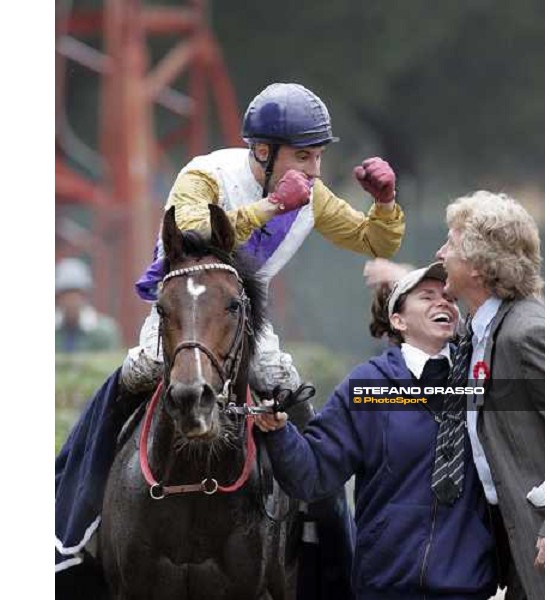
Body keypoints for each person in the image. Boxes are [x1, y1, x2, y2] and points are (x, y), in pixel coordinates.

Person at [122, 82, 406, 395]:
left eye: (318, 156)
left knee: (288, 392)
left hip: (245, 316)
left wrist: (385, 203)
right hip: (183, 314)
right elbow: (196, 236)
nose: (314, 172)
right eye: (302, 157)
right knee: (139, 375)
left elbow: (375, 243)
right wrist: (272, 206)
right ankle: (83, 445)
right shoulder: (205, 174)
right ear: (262, 152)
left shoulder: (315, 196)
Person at [255, 264, 499, 600]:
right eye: (427, 296)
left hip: (468, 587)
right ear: (398, 321)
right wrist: (280, 432)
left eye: (448, 298)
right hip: (385, 586)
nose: (443, 303)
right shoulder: (366, 385)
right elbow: (313, 474)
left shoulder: (480, 375)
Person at [435, 191, 545, 600]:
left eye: (450, 243)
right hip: (508, 543)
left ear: (479, 266)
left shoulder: (527, 331)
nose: (440, 252)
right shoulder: (479, 332)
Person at [55, 258, 123, 353]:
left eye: (76, 296)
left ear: (85, 297)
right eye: (66, 296)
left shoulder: (104, 331)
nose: (71, 302)